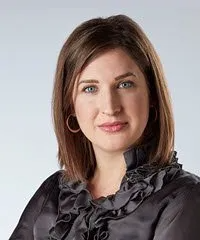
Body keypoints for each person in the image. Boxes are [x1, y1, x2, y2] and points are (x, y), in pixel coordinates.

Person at [10, 14, 200, 240]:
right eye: (90, 88)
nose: (110, 107)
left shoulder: (184, 199)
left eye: (124, 84)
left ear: (151, 96)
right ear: (70, 105)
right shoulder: (52, 194)